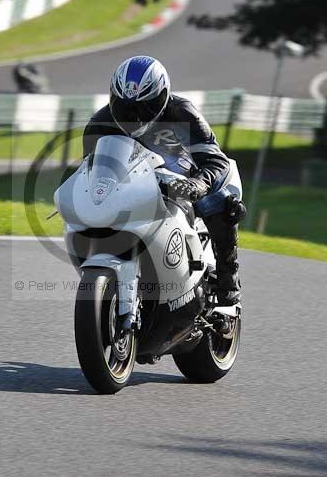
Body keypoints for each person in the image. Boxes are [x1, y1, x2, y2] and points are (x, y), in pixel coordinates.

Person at [82, 55, 246, 305]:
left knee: (221, 201)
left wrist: (198, 184)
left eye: (145, 107)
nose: (135, 117)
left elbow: (217, 160)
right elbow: (91, 171)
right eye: (126, 108)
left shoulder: (183, 113)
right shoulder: (99, 124)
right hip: (134, 186)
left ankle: (227, 274)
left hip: (184, 181)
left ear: (163, 96)